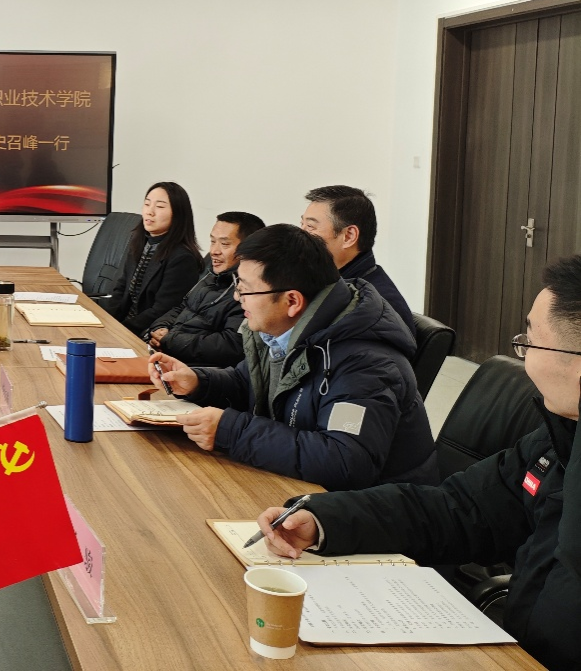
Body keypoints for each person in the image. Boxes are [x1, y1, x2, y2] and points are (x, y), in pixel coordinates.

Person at [255, 255, 581, 671]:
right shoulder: (556, 440)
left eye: (530, 341)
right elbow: (459, 509)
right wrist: (324, 518)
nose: (523, 356)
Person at [151, 224, 437, 490]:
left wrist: (232, 431)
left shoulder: (366, 363)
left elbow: (345, 461)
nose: (238, 298)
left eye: (245, 289)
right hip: (300, 491)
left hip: (375, 510)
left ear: (292, 301)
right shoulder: (281, 329)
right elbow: (247, 382)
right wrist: (198, 381)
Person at [145, 211, 265, 368]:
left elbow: (231, 345)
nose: (214, 251)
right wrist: (160, 328)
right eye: (212, 241)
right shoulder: (212, 275)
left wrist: (171, 340)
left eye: (224, 244)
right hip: (167, 355)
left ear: (248, 249)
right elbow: (181, 307)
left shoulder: (249, 292)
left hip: (194, 370)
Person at [98, 181, 203, 337]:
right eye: (147, 204)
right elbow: (121, 289)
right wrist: (106, 322)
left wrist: (120, 330)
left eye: (160, 207)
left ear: (178, 214)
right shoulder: (140, 243)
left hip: (145, 333)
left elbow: (163, 310)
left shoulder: (183, 258)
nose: (150, 212)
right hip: (124, 327)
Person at [301, 185, 412, 330]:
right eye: (302, 224)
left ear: (349, 236)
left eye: (310, 227)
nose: (300, 235)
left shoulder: (374, 309)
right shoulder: (327, 282)